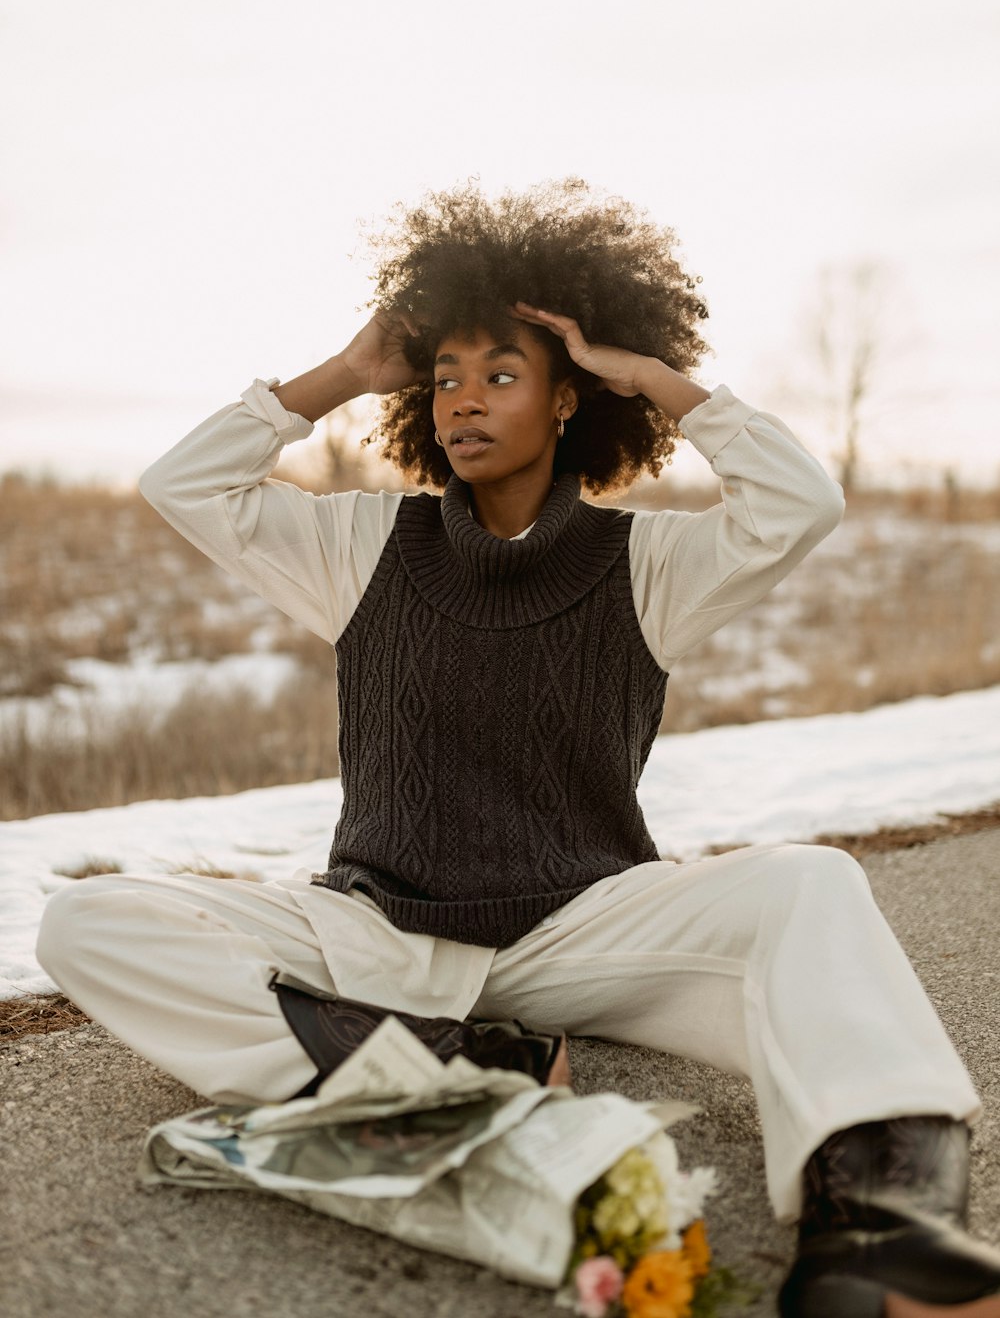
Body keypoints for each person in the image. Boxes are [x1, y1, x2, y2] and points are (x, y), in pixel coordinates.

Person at [37, 180, 1000, 1315]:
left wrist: (654, 377)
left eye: (500, 373)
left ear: (565, 405)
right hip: (381, 927)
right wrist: (343, 375)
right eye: (445, 375)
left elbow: (800, 503)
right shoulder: (358, 545)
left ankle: (881, 1221)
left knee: (810, 883)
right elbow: (181, 484)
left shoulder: (647, 563)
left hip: (582, 924)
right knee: (85, 919)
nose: (462, 399)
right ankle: (457, 1064)